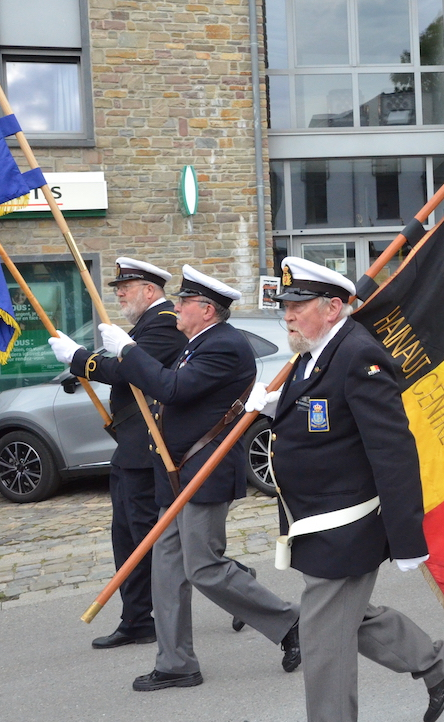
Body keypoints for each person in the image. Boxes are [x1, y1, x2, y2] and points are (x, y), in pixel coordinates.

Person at [244, 257, 444, 722]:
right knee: (347, 615)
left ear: (332, 308)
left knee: (323, 641)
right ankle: (436, 663)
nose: (287, 315)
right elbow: (325, 418)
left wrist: (407, 537)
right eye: (286, 306)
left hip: (346, 526)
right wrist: (275, 407)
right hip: (315, 523)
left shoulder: (359, 355)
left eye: (298, 306)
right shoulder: (313, 351)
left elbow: (393, 450)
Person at [95, 265, 300, 690]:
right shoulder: (198, 342)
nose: (176, 308)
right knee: (167, 569)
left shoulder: (223, 345)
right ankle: (176, 664)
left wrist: (129, 351)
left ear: (206, 310)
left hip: (204, 472)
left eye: (184, 301)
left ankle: (289, 623)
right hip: (177, 474)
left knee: (204, 567)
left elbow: (172, 389)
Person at [49, 257, 187, 650]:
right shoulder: (146, 324)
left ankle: (230, 580)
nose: (120, 294)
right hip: (129, 446)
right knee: (127, 537)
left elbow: (124, 371)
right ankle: (137, 618)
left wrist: (79, 358)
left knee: (150, 539)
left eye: (126, 287)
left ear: (150, 290)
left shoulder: (165, 324)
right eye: (118, 288)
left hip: (148, 448)